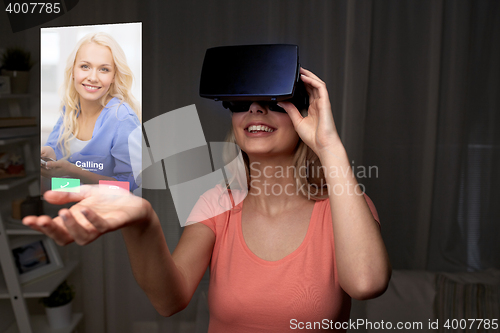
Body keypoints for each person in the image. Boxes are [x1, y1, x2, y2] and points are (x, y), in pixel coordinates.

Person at [25, 68, 390, 332]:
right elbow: (170, 301)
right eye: (241, 102)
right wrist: (142, 222)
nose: (255, 110)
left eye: (272, 101)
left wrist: (328, 146)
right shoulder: (217, 204)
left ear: (301, 114)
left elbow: (366, 283)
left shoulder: (344, 207)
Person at [41, 32, 141, 191]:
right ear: (73, 71)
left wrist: (74, 171)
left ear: (114, 76)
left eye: (104, 69)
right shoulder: (70, 107)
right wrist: (47, 153)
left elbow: (128, 186)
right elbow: (55, 148)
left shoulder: (122, 117)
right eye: (85, 66)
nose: (93, 77)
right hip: (75, 203)